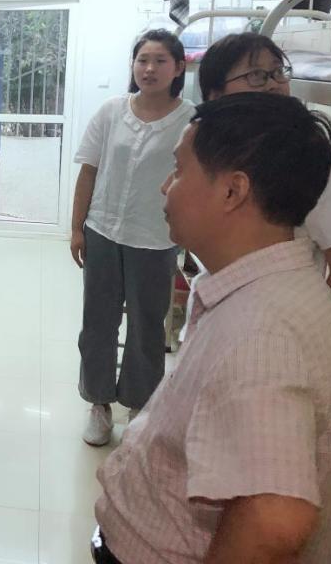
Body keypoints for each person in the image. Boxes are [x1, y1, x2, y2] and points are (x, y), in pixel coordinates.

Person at [93, 93, 331, 564]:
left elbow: (274, 521)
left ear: (233, 192)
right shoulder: (266, 290)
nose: (165, 187)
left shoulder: (263, 333)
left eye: (178, 171)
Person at [70, 29, 194, 447]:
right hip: (103, 231)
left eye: (160, 61)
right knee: (97, 323)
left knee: (146, 327)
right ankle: (99, 403)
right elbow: (89, 170)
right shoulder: (111, 111)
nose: (149, 68)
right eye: (142, 59)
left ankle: (140, 404)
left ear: (178, 68)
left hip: (155, 239)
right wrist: (77, 227)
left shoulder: (191, 121)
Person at [198, 32, 331, 317]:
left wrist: (315, 336)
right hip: (220, 315)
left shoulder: (308, 157)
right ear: (216, 95)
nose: (273, 84)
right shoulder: (204, 151)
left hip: (281, 322)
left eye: (278, 72)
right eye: (256, 75)